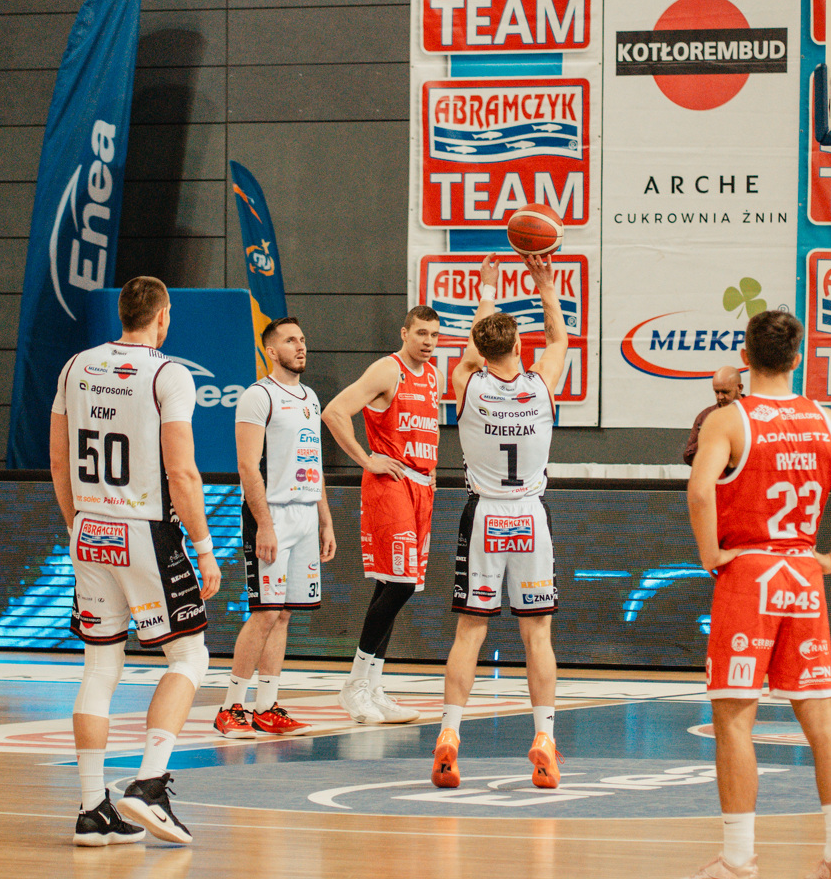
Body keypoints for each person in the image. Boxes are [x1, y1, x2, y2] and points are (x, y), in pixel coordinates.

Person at [682, 310, 831, 879]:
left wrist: (709, 553)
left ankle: (738, 857)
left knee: (734, 720)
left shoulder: (728, 419)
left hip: (749, 572)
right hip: (803, 575)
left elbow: (701, 493)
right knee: (822, 720)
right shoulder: (828, 421)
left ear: (744, 360)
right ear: (798, 359)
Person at [49, 276, 221, 846]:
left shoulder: (75, 367)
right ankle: (148, 784)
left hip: (89, 528)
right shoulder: (168, 374)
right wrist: (203, 547)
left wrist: (76, 526)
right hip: (145, 528)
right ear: (163, 316)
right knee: (189, 655)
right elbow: (182, 472)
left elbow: (59, 461)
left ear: (122, 313)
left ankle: (91, 808)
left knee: (100, 667)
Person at [431, 252, 570, 790]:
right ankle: (544, 739)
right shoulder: (541, 385)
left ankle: (449, 734)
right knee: (538, 635)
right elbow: (558, 339)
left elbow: (474, 349)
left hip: (484, 513)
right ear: (518, 347)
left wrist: (486, 290)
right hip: (531, 514)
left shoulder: (466, 382)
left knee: (470, 631)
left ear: (480, 350)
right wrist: (544, 284)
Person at [215, 318, 337, 738]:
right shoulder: (258, 396)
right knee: (265, 611)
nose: (300, 346)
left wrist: (325, 519)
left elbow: (313, 462)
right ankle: (230, 707)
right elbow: (247, 465)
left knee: (284, 613)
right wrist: (264, 524)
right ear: (270, 350)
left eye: (302, 339)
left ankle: (266, 707)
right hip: (272, 515)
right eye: (290, 340)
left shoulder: (311, 397)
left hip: (305, 514)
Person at [322, 305, 444, 725]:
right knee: (402, 585)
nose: (428, 341)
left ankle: (373, 687)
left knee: (393, 586)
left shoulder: (433, 376)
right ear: (405, 333)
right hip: (391, 482)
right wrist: (365, 459)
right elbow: (334, 412)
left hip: (421, 487)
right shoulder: (387, 370)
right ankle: (355, 684)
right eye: (421, 333)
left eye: (434, 335)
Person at [683, 366, 743, 465]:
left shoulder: (753, 413)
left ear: (739, 388)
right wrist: (707, 439)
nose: (720, 397)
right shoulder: (705, 416)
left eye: (725, 392)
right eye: (716, 392)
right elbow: (688, 456)